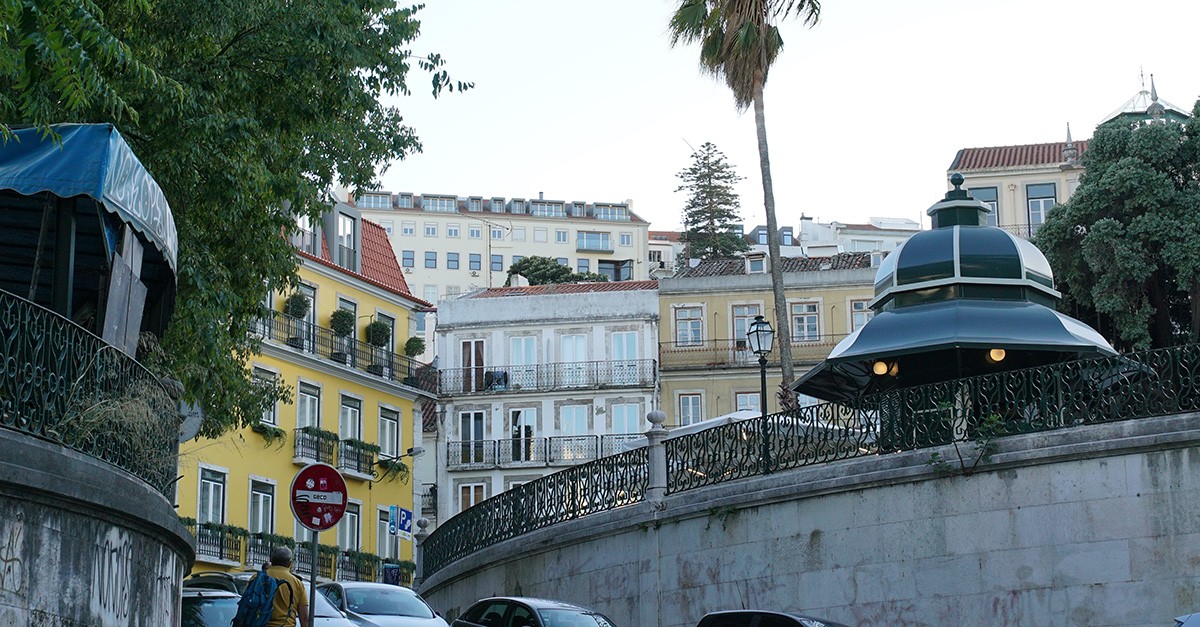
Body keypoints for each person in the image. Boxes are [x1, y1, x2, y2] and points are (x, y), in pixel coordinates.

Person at [265, 546, 309, 627]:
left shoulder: (257, 578)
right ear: (289, 563)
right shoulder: (297, 583)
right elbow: (305, 618)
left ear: (271, 561)